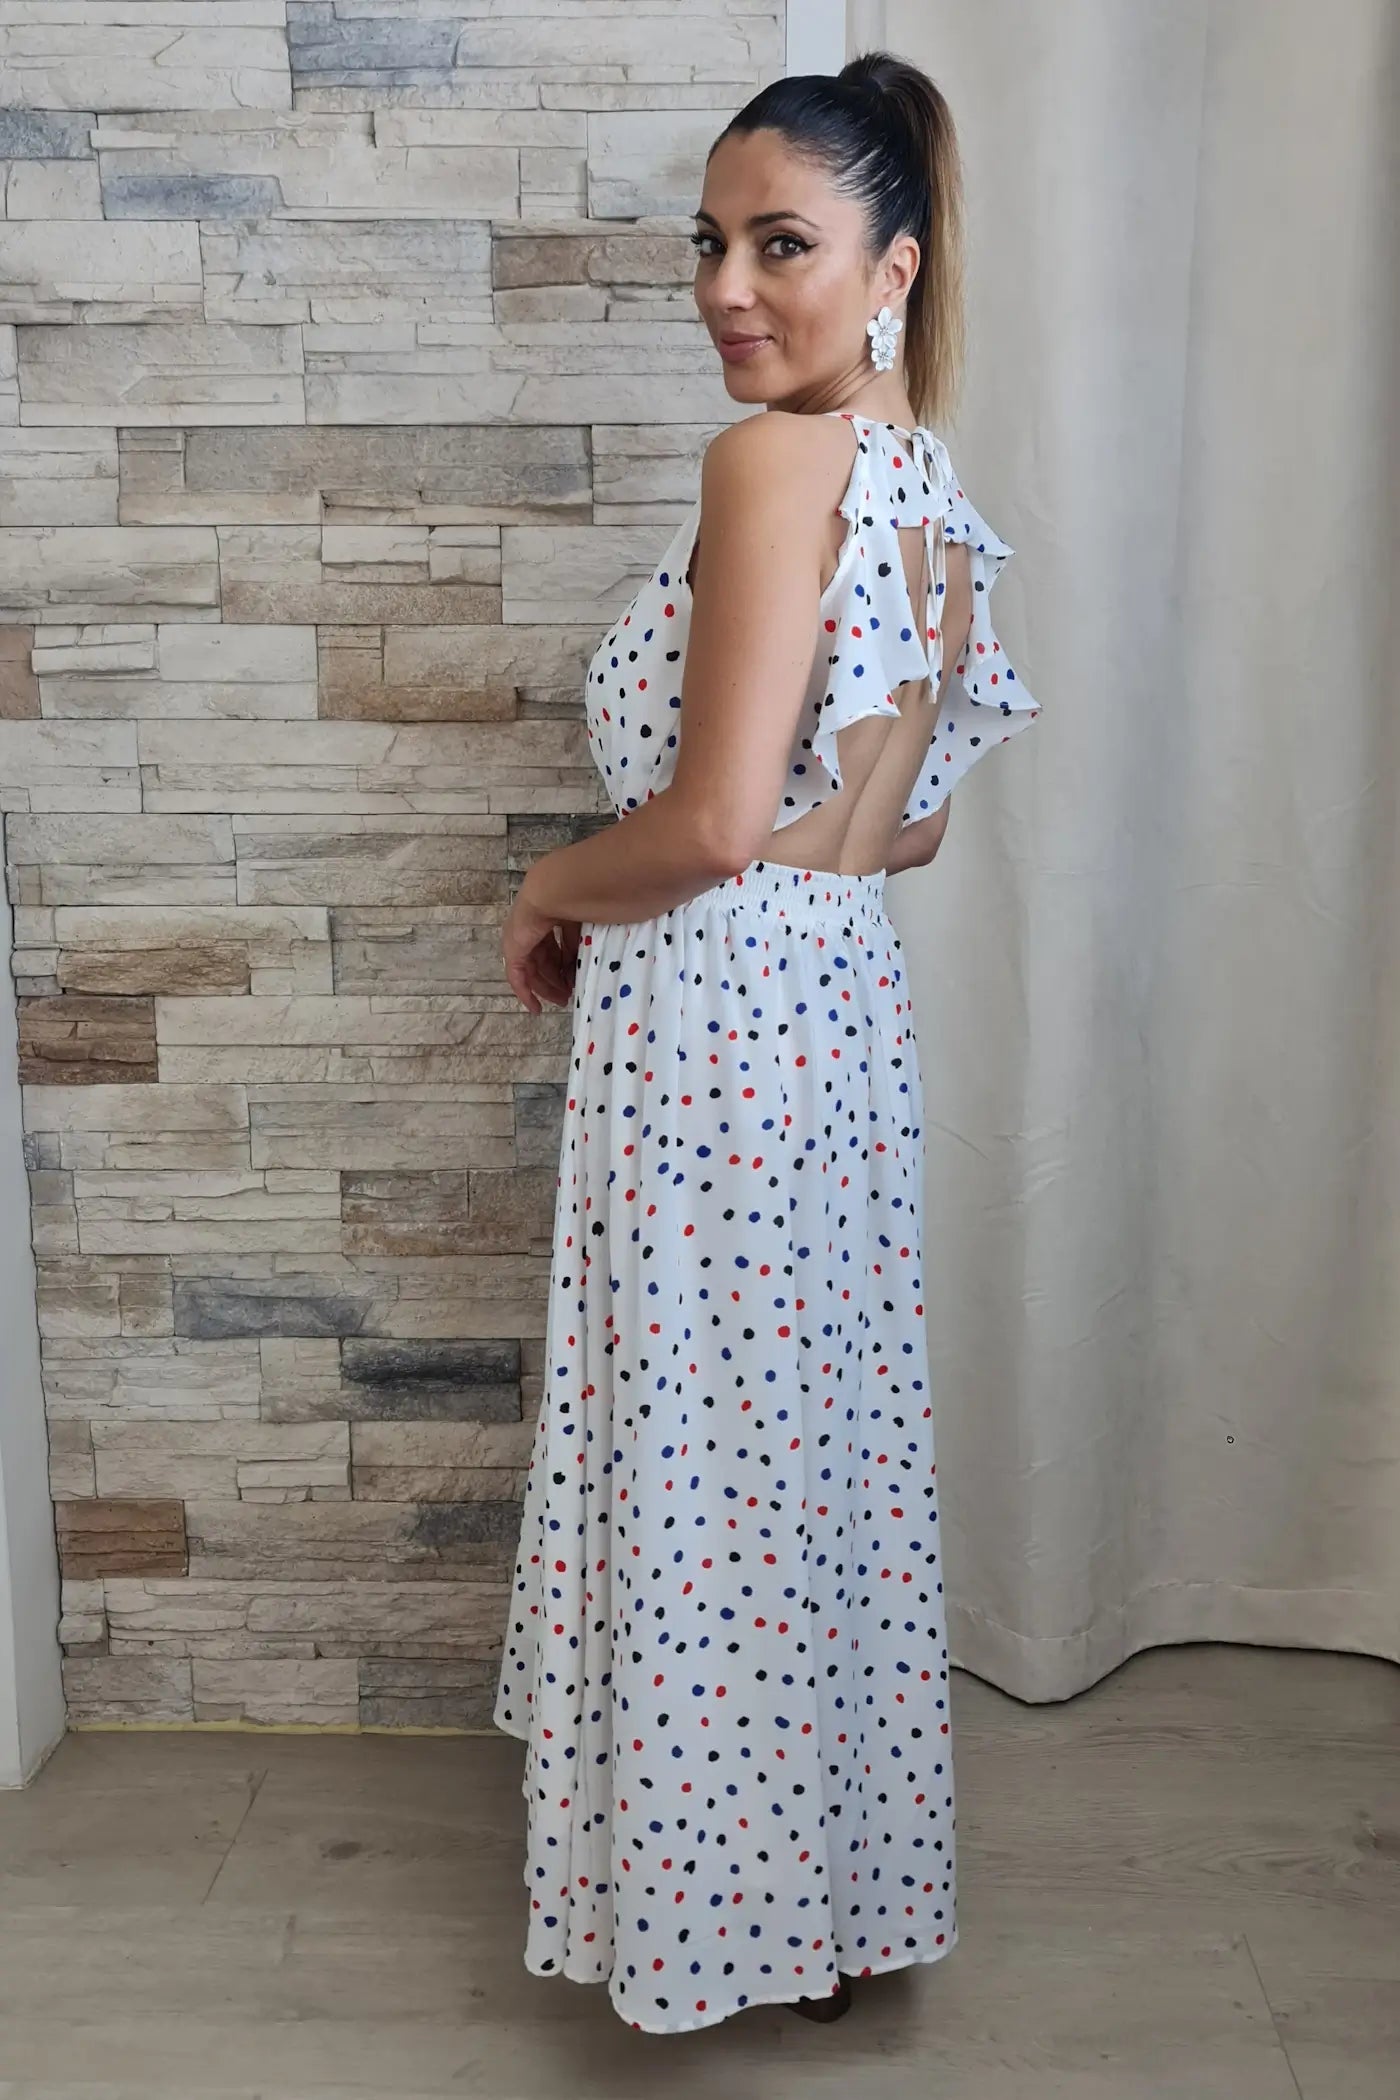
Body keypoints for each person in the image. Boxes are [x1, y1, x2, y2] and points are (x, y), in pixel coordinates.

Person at [492, 49, 1040, 2036]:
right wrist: (750, 865)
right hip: (835, 1017)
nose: (728, 287)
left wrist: (552, 883)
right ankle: (835, 1910)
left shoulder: (772, 468)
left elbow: (714, 827)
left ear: (892, 266)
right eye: (710, 243)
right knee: (816, 1460)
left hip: (715, 1019)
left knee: (708, 1467)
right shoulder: (931, 495)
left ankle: (710, 1926)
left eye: (781, 244)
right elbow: (905, 828)